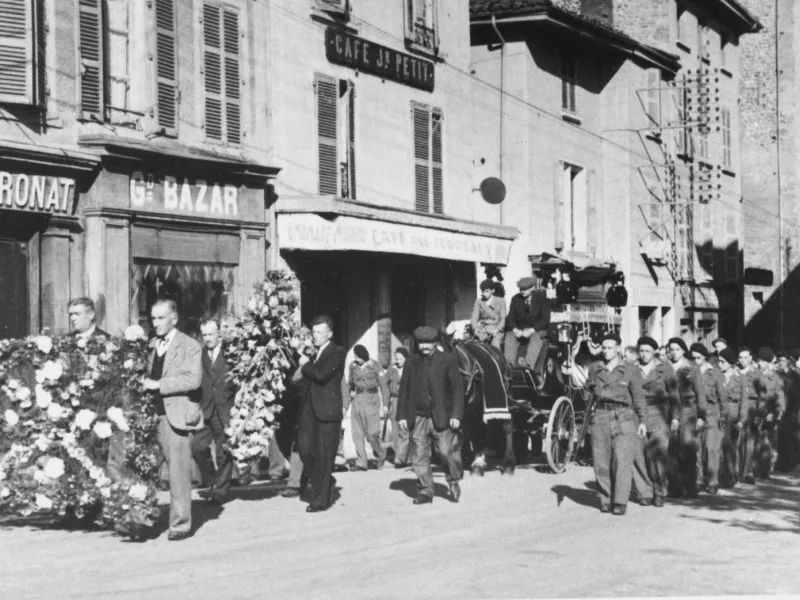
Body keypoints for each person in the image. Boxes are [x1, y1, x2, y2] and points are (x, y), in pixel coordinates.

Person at [132, 299, 203, 541]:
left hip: (175, 417)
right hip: (150, 415)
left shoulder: (190, 345)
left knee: (178, 474)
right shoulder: (151, 344)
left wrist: (158, 385)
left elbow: (193, 380)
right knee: (144, 470)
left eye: (161, 318)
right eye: (153, 318)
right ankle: (139, 521)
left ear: (174, 319)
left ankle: (180, 525)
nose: (156, 323)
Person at [397, 326, 464, 505]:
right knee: (419, 455)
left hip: (442, 416)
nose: (425, 346)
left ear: (435, 343)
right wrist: (402, 415)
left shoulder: (447, 360)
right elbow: (404, 390)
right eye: (421, 343)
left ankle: (453, 480)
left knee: (445, 451)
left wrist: (456, 414)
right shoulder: (411, 362)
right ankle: (425, 491)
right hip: (418, 416)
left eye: (429, 343)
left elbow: (457, 390)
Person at [586, 333, 648, 515]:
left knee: (622, 460)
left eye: (610, 348)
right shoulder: (595, 368)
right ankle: (606, 499)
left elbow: (638, 397)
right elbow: (587, 391)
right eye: (603, 348)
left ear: (618, 348)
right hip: (600, 416)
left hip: (623, 417)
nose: (606, 351)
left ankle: (620, 501)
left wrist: (643, 420)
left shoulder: (630, 370)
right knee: (601, 460)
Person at [296, 315, 347, 513]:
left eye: (319, 332)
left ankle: (321, 500)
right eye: (313, 332)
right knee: (305, 451)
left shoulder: (338, 351)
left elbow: (322, 374)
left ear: (330, 334)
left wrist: (305, 364)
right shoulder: (313, 353)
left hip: (327, 411)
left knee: (325, 456)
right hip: (309, 411)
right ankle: (328, 481)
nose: (315, 336)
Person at [191, 318, 236, 505]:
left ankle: (221, 490)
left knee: (223, 452)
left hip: (225, 409)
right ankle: (211, 482)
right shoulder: (198, 355)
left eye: (211, 334)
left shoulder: (231, 354)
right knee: (197, 448)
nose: (207, 338)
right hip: (205, 409)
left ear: (219, 334)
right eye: (204, 335)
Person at [636, 336, 678, 508]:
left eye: (647, 351)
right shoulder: (632, 368)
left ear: (654, 352)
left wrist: (675, 417)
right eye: (641, 351)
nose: (644, 354)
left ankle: (660, 491)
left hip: (660, 412)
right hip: (638, 413)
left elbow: (674, 393)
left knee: (658, 454)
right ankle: (644, 492)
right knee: (639, 454)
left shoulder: (664, 368)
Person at [667, 337, 706, 499]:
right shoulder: (664, 367)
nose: (673, 352)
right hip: (669, 410)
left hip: (689, 410)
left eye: (677, 349)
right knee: (672, 450)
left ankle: (690, 487)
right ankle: (675, 488)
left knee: (688, 449)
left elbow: (700, 393)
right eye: (671, 349)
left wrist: (701, 416)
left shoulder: (692, 368)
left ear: (683, 350)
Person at [690, 343, 725, 495]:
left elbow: (722, 397)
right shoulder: (688, 371)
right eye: (693, 358)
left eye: (698, 358)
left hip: (711, 413)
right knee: (697, 449)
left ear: (704, 358)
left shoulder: (715, 373)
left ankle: (712, 481)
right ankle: (698, 479)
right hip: (694, 413)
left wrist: (723, 416)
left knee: (711, 448)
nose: (695, 360)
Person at [345, 345, 386, 471]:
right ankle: (361, 462)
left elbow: (384, 385)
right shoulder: (352, 366)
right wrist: (349, 395)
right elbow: (349, 383)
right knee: (357, 433)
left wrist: (385, 404)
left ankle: (380, 454)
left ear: (364, 356)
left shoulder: (375, 365)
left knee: (372, 433)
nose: (356, 359)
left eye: (358, 357)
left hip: (371, 398)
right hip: (357, 399)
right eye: (355, 357)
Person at [504, 276, 551, 382]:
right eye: (520, 289)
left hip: (537, 330)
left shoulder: (542, 299)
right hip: (521, 331)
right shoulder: (516, 299)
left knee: (535, 337)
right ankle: (509, 365)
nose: (522, 291)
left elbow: (545, 320)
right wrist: (515, 330)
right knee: (510, 335)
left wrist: (531, 330)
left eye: (524, 289)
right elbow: (510, 317)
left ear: (532, 288)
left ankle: (528, 365)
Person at [749, 347, 786, 480]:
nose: (760, 364)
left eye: (764, 361)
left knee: (764, 443)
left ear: (769, 362)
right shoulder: (752, 375)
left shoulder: (775, 378)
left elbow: (780, 395)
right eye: (759, 360)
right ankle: (751, 470)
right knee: (753, 442)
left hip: (767, 414)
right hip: (752, 412)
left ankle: (764, 470)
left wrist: (778, 412)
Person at [717, 348, 747, 488]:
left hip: (733, 416)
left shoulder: (739, 378)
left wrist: (741, 420)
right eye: (719, 361)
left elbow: (744, 401)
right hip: (718, 414)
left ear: (729, 362)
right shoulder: (717, 376)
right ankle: (719, 475)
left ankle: (730, 476)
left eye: (722, 361)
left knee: (730, 447)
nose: (720, 364)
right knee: (718, 446)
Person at [383, 347, 410, 467]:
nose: (398, 360)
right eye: (396, 358)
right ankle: (399, 457)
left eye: (400, 358)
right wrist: (386, 404)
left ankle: (407, 458)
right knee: (395, 428)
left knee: (406, 429)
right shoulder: (391, 369)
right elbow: (386, 387)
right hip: (395, 401)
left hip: (407, 401)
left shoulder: (411, 368)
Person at [470, 280, 506, 349]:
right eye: (482, 291)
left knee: (495, 348)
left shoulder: (500, 301)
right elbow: (474, 317)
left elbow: (503, 319)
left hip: (495, 330)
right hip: (483, 329)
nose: (484, 293)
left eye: (486, 291)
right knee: (475, 349)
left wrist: (497, 329)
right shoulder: (479, 301)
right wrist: (475, 328)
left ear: (493, 290)